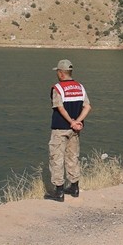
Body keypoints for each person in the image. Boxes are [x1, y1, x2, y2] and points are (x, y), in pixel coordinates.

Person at [45, 59, 90, 202]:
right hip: (75, 130)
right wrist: (78, 121)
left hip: (60, 128)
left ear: (61, 73)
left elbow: (59, 107)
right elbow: (88, 106)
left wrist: (71, 121)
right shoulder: (80, 87)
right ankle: (74, 187)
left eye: (57, 72)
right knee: (73, 156)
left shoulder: (57, 88)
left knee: (56, 158)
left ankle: (59, 191)